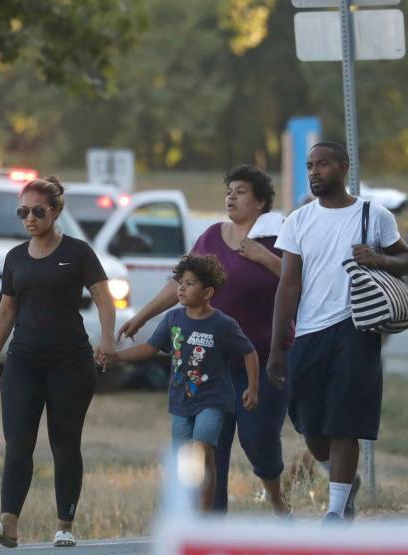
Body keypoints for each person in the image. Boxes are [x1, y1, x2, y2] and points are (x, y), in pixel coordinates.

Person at [118, 165, 292, 515]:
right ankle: (211, 523)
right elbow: (182, 282)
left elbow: (301, 279)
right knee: (210, 448)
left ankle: (275, 497)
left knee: (259, 442)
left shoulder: (279, 238)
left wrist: (265, 257)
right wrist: (144, 315)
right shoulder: (212, 237)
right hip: (211, 368)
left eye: (241, 191)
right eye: (229, 190)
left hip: (263, 358)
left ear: (260, 202)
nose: (231, 196)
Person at [268, 141, 408, 523]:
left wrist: (379, 258)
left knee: (344, 421)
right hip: (309, 332)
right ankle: (345, 481)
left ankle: (336, 510)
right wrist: (276, 348)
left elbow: (407, 259)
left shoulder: (373, 214)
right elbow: (288, 285)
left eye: (324, 164)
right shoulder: (298, 220)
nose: (315, 171)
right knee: (309, 424)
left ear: (344, 167)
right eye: (310, 165)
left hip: (356, 329)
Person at [0, 176, 117, 549]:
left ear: (56, 211)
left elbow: (103, 297)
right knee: (18, 443)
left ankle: (64, 524)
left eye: (38, 211)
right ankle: (8, 523)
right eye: (23, 211)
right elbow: (6, 311)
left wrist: (106, 339)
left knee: (64, 443)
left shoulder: (79, 252)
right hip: (23, 359)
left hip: (70, 361)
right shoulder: (16, 257)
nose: (30, 218)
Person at [106, 254, 258, 511]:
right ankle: (186, 511)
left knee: (202, 450)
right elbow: (151, 348)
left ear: (208, 292)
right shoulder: (173, 320)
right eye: (180, 283)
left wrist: (252, 387)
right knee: (184, 462)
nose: (181, 288)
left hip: (213, 400)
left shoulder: (222, 324)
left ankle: (204, 513)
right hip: (180, 402)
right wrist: (117, 357)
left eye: (190, 283)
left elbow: (249, 351)